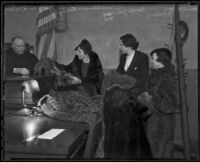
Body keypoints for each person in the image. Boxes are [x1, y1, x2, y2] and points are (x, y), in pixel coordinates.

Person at [138, 48, 178, 158]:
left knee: (160, 152)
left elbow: (170, 105)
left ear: (162, 61)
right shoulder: (155, 75)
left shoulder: (167, 78)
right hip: (153, 121)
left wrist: (152, 98)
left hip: (162, 124)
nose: (151, 61)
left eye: (154, 59)